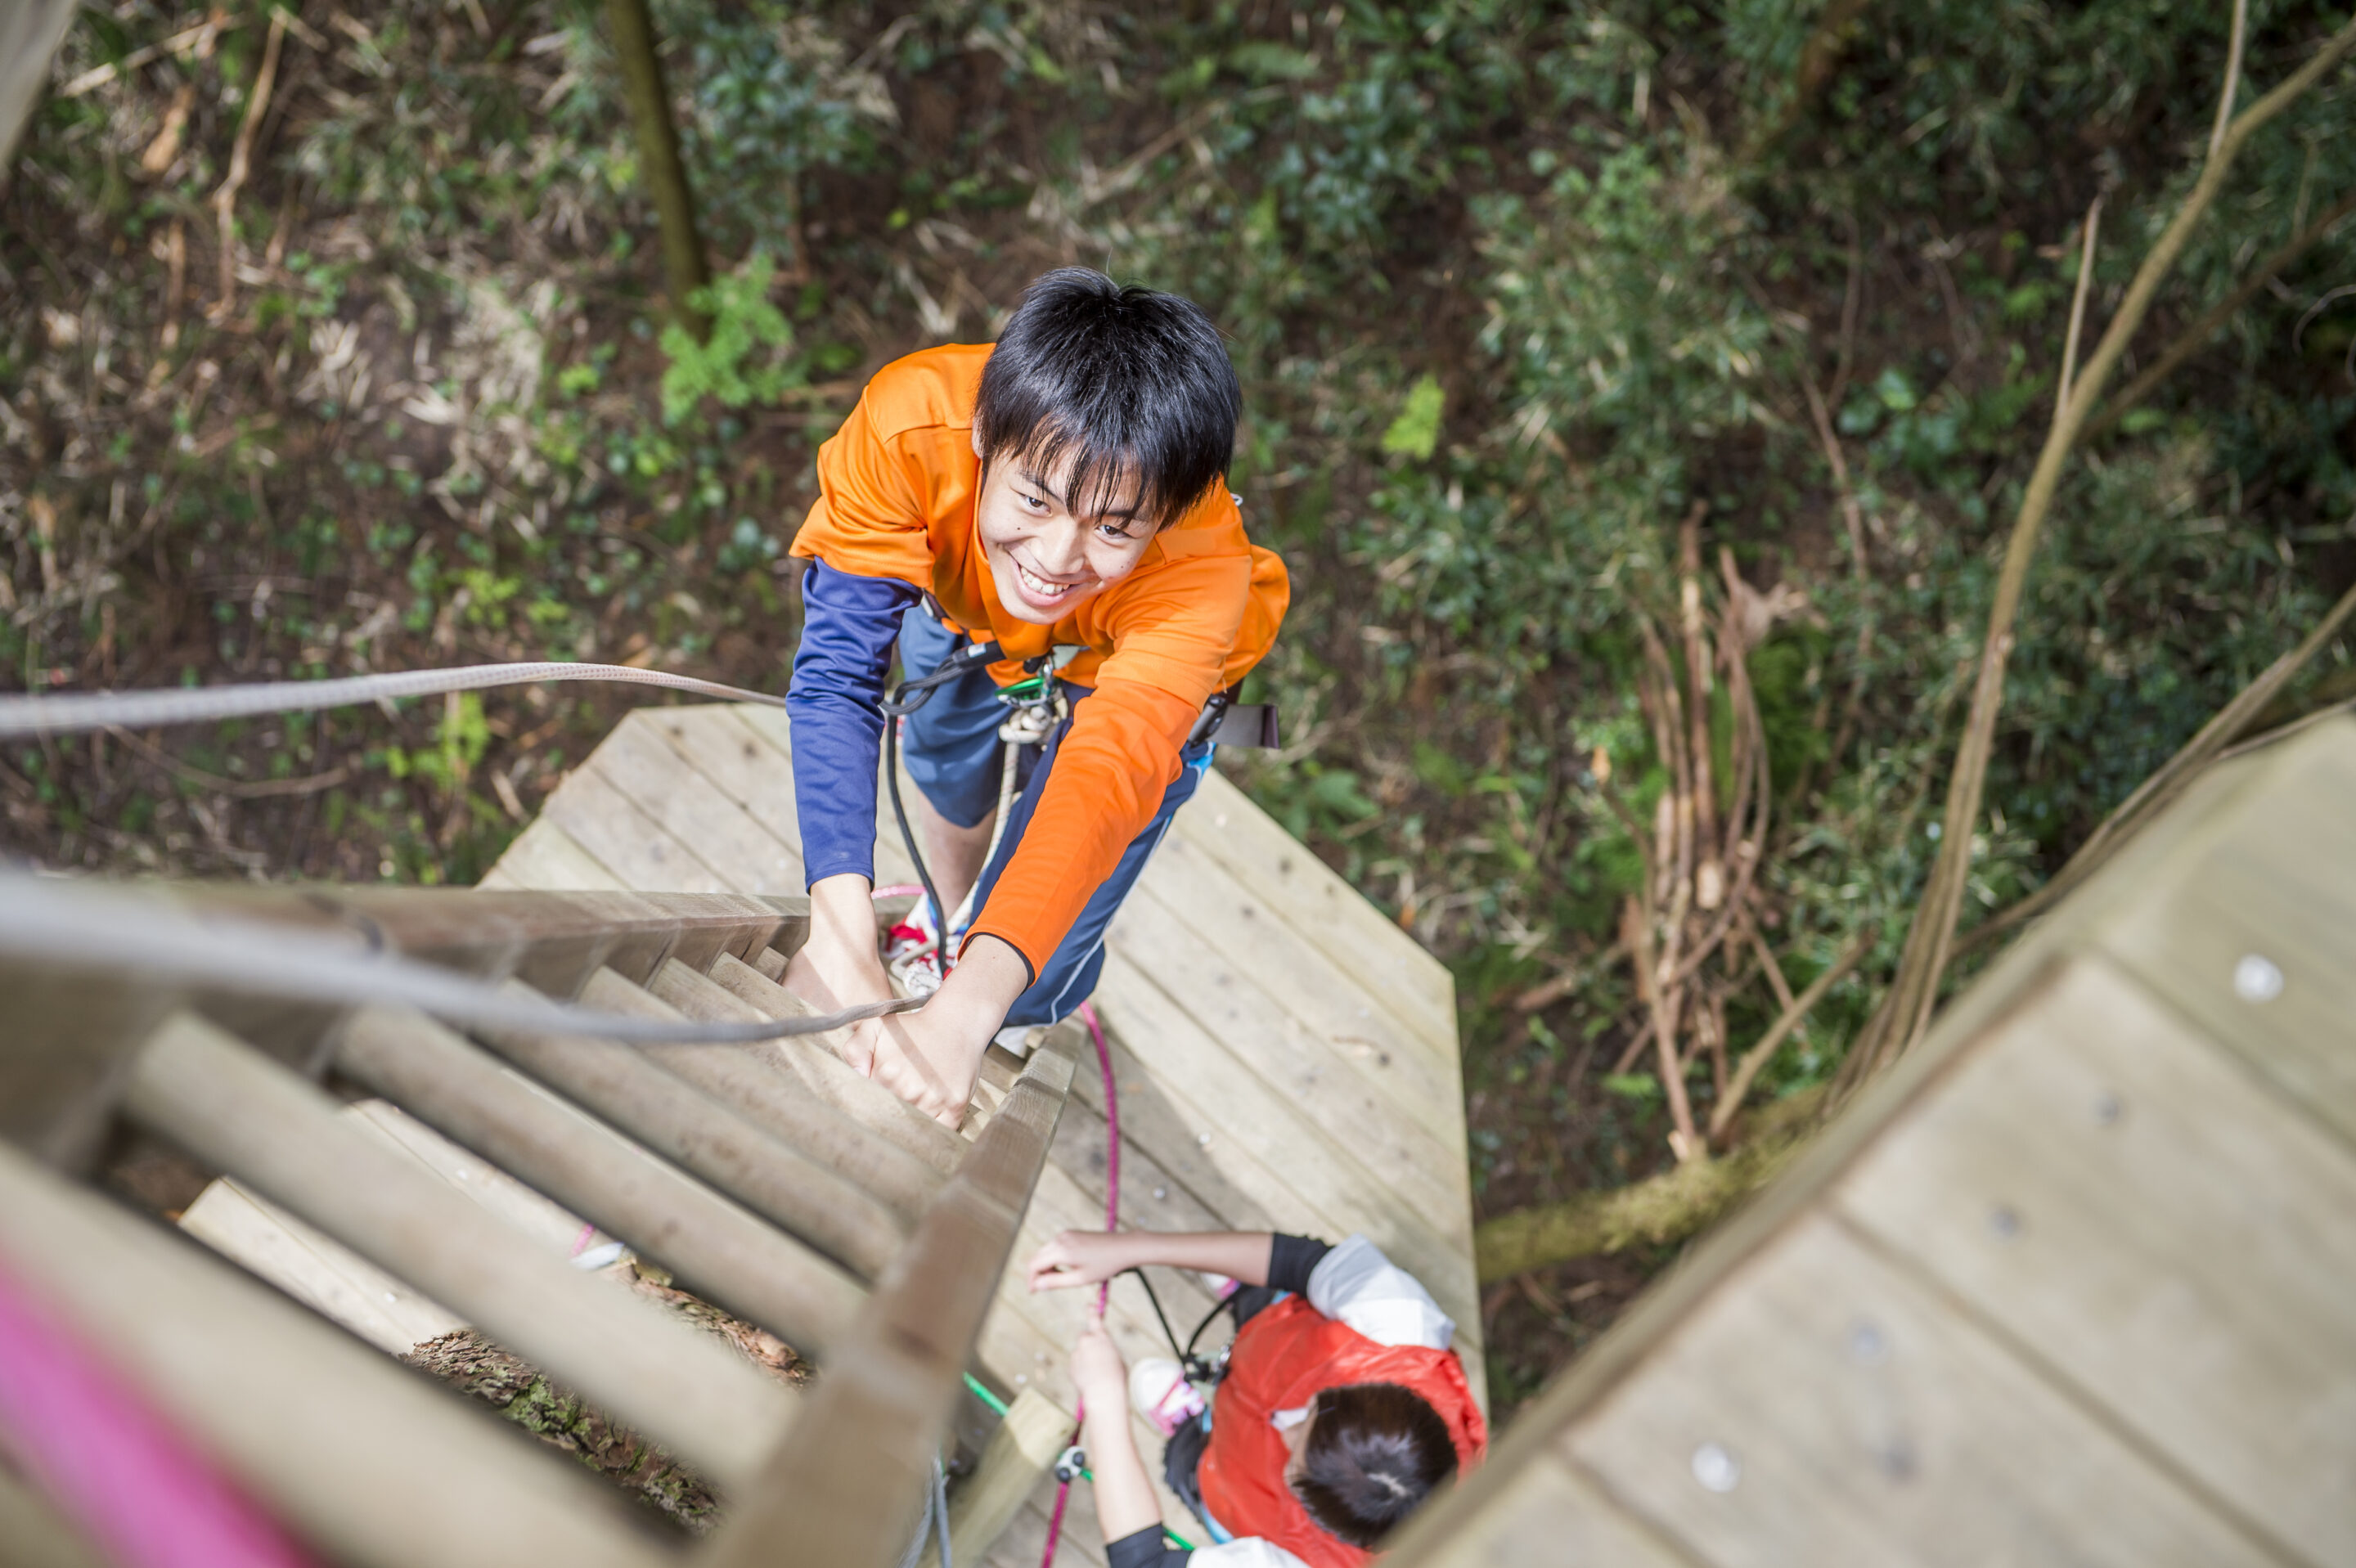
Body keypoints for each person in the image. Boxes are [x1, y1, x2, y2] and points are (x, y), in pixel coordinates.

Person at [781, 268, 1288, 1125]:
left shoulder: (1201, 568)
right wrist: (837, 920)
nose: (1058, 555)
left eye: (1115, 525)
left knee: (1035, 968)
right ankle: (944, 922)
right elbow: (839, 671)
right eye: (1035, 498)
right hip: (966, 607)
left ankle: (995, 994)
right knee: (943, 764)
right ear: (984, 432)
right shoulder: (910, 426)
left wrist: (972, 1012)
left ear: (1165, 512)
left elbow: (1105, 777)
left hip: (1128, 664)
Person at [1030, 1228, 1486, 1566]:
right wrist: (1129, 1249)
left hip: (1235, 1491)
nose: (1283, 1427)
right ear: (1381, 1391)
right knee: (1269, 1290)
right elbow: (1300, 1261)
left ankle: (1191, 1430)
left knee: (1186, 1465)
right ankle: (1244, 1298)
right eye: (1314, 1410)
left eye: (1293, 1461)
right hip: (1274, 1343)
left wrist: (1105, 1399)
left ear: (1321, 1519)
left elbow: (1142, 1563)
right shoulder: (1406, 1330)